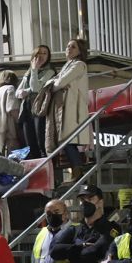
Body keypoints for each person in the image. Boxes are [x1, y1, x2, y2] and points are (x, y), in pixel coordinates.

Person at [44, 38, 90, 170]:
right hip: (65, 107)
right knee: (66, 141)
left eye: (73, 47)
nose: (69, 49)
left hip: (72, 107)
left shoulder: (79, 65)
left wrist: (52, 84)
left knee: (68, 140)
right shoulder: (67, 66)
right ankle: (76, 171)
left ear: (80, 51)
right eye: (68, 46)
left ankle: (78, 171)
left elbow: (59, 83)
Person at [15, 44, 55, 159]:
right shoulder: (28, 72)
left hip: (39, 108)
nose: (41, 56)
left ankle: (46, 168)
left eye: (44, 53)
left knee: (41, 142)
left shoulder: (50, 71)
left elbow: (36, 88)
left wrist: (34, 69)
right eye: (39, 53)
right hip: (26, 109)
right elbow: (18, 92)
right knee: (30, 145)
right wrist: (26, 91)